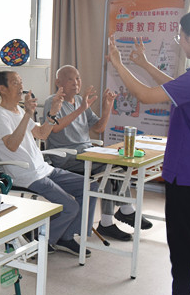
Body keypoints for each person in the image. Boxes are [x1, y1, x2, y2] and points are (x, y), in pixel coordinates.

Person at [106, 8, 190, 295]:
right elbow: (178, 89)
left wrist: (119, 64)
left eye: (181, 36)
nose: (180, 42)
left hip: (186, 174)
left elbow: (146, 96)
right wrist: (145, 64)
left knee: (182, 242)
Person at [0, 70, 94, 256]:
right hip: (25, 174)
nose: (21, 86)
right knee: (70, 207)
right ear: (2, 89)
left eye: (21, 81)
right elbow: (12, 145)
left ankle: (65, 236)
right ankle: (39, 243)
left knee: (90, 186)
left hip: (43, 168)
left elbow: (42, 134)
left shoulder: (19, 110)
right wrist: (28, 115)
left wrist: (53, 113)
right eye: (15, 83)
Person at [43, 65, 145, 242]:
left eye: (78, 78)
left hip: (87, 152)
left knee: (116, 165)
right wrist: (81, 108)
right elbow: (55, 128)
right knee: (110, 167)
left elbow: (98, 128)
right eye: (70, 79)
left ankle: (110, 219)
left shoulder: (79, 101)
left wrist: (107, 108)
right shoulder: (53, 101)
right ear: (58, 82)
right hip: (66, 157)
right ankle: (122, 212)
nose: (76, 83)